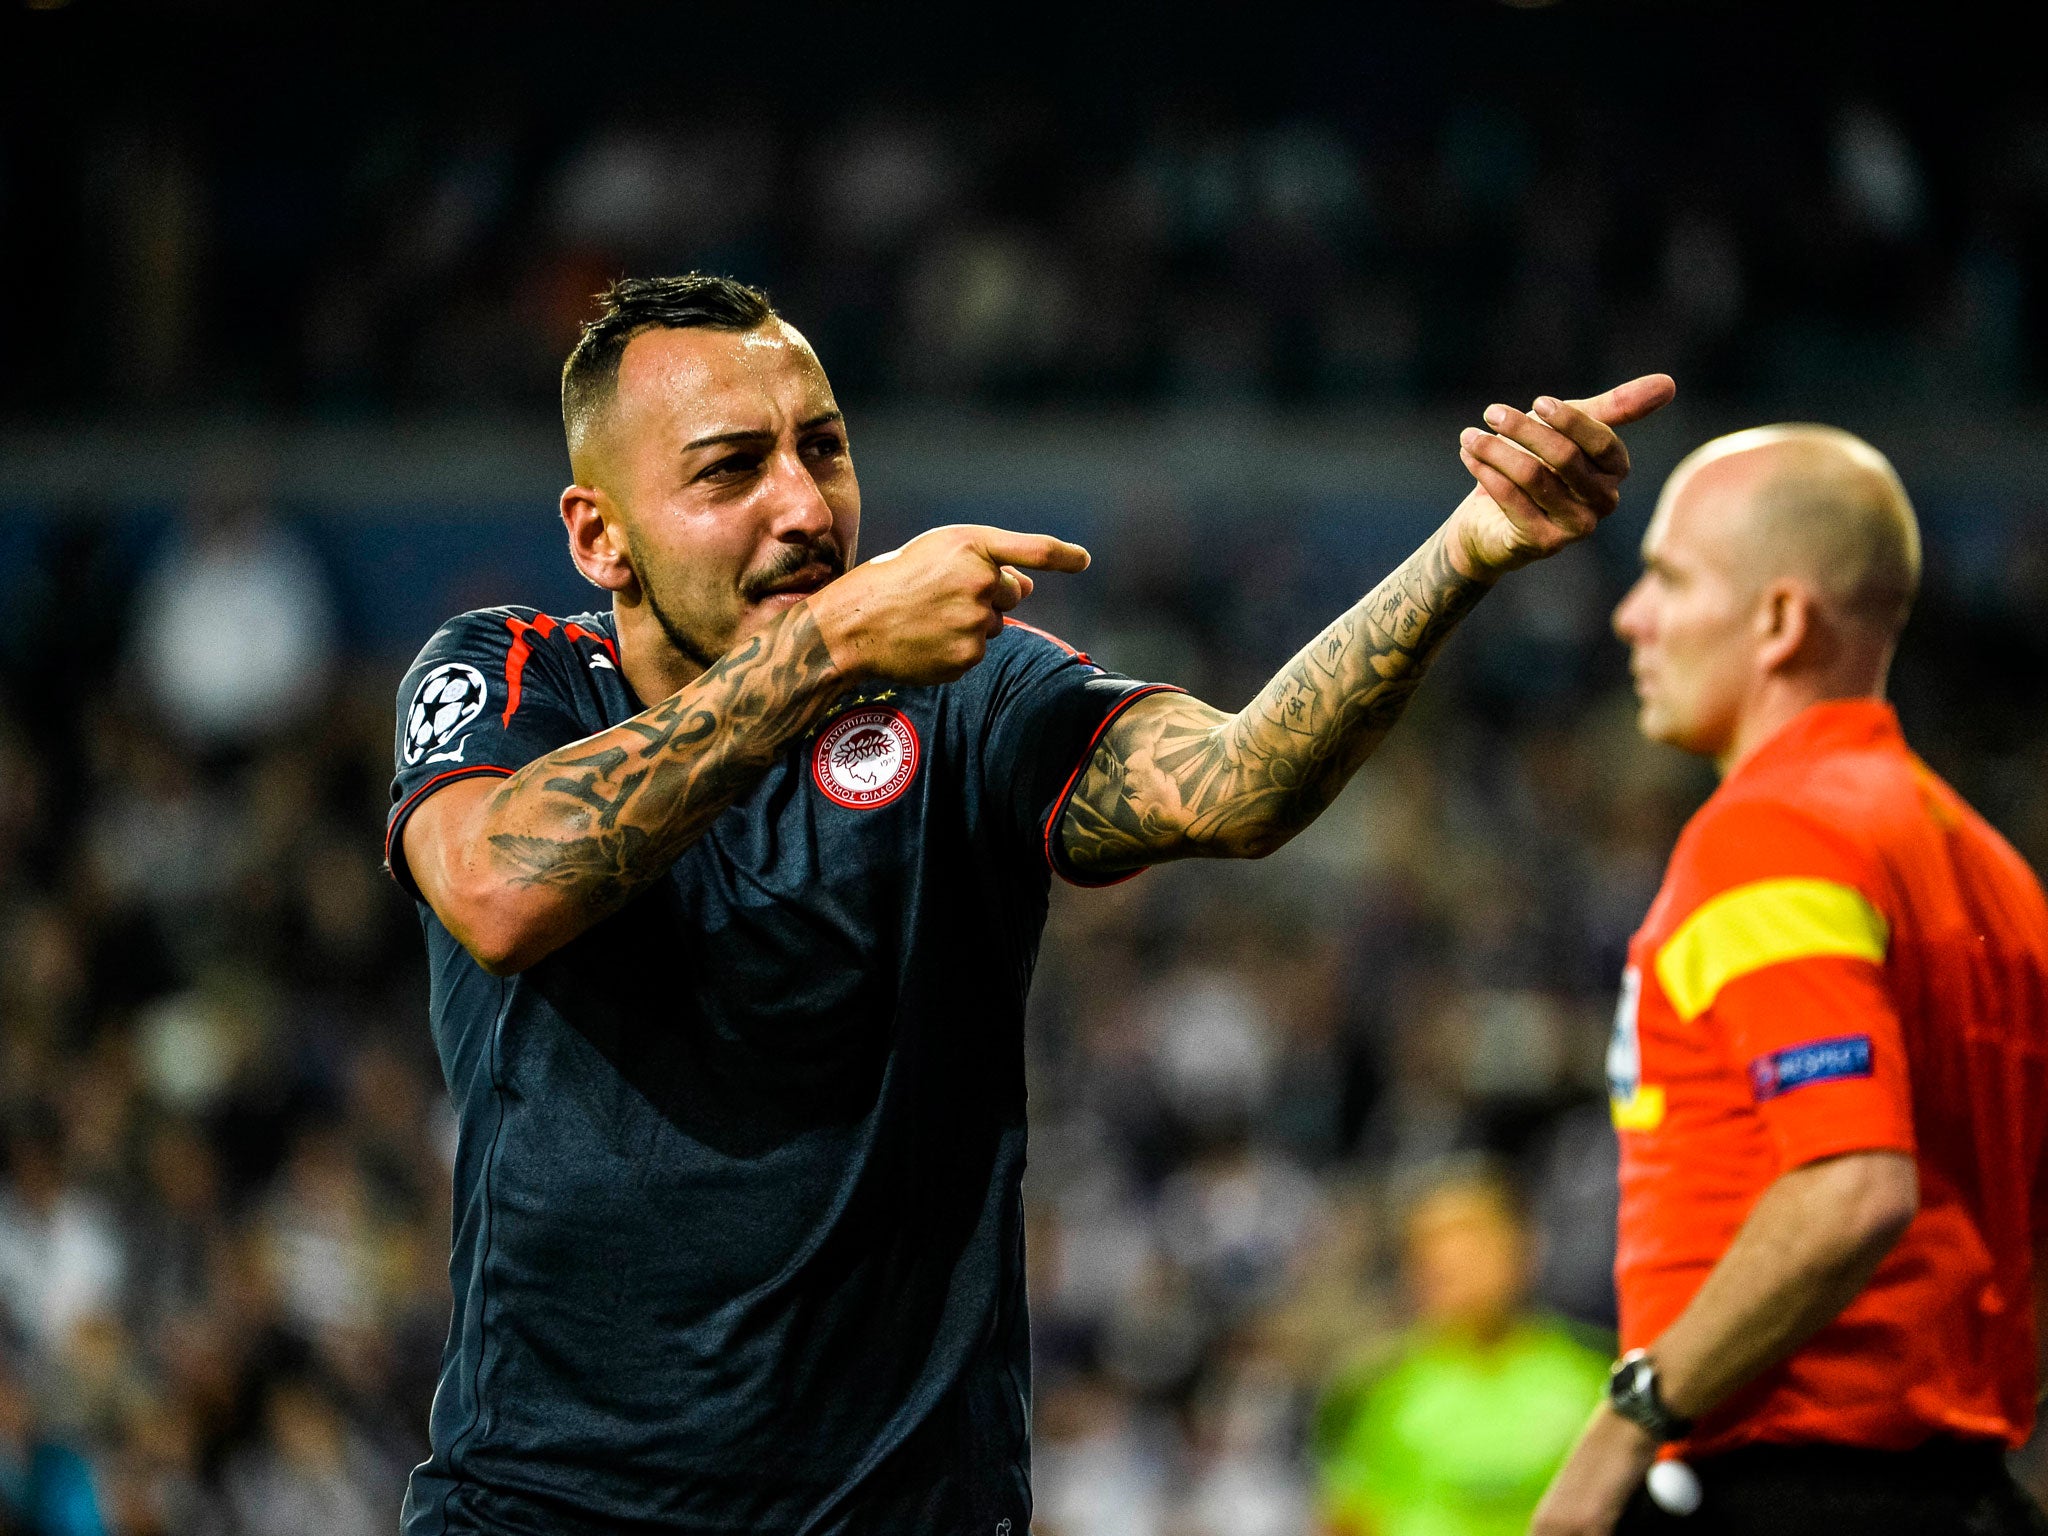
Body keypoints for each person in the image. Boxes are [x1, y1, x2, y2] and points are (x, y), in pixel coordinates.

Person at [384, 271, 1672, 1534]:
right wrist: (824, 648)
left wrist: (1466, 549)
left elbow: (1235, 787)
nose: (801, 506)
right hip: (546, 1506)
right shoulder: (512, 677)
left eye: (821, 451)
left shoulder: (960, 693)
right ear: (598, 533)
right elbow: (500, 886)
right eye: (729, 470)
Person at [1532, 426, 2048, 1536]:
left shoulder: (1771, 837)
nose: (1630, 617)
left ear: (1777, 621)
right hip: (1965, 1492)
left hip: (1790, 1483)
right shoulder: (1988, 868)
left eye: (1666, 579)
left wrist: (1627, 1420)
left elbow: (1848, 1185)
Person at [1313, 1166, 1608, 1536]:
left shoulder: (1597, 1375)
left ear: (1523, 1250)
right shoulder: (1370, 1390)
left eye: (1477, 1245)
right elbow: (1346, 1517)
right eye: (1438, 1250)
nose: (1458, 1265)